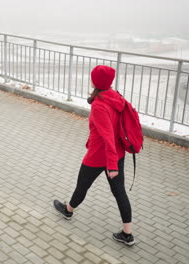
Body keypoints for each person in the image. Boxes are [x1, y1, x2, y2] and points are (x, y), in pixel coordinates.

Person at [53, 65, 134, 246]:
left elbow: (107, 138)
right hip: (117, 154)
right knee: (119, 192)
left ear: (94, 81)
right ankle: (127, 234)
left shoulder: (99, 105)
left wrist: (111, 165)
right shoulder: (116, 97)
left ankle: (68, 210)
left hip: (100, 155)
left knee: (82, 186)